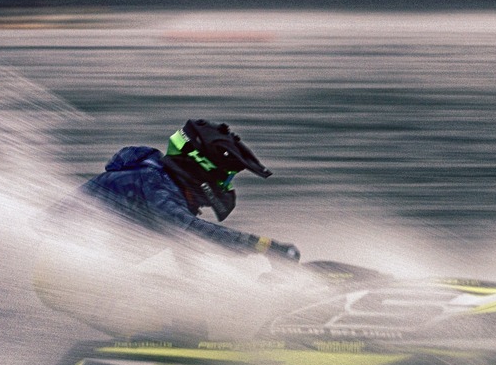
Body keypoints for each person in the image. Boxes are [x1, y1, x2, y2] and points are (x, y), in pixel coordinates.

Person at [35, 119, 300, 337]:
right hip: (67, 273)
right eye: (227, 177)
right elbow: (189, 230)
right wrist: (263, 246)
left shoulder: (163, 188)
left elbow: (190, 255)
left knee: (188, 309)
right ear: (203, 166)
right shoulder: (153, 182)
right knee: (179, 320)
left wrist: (246, 294)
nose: (228, 186)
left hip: (81, 274)